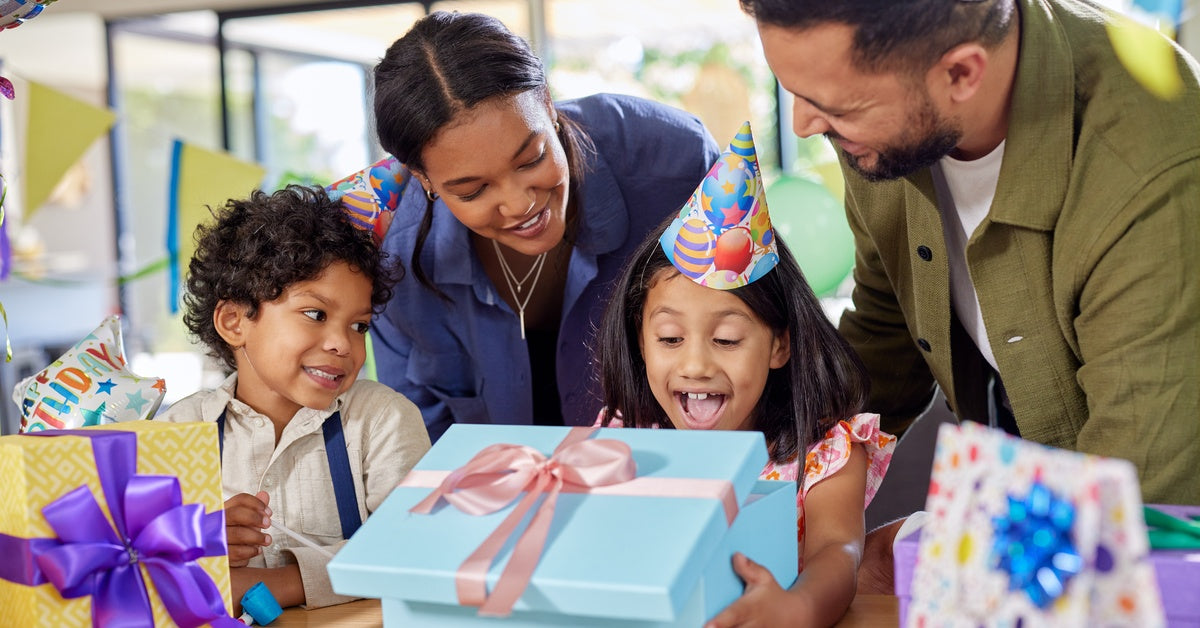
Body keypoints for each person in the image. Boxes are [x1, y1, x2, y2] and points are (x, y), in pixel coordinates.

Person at [739, 0, 1200, 590]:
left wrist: (941, 544)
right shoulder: (878, 113)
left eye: (836, 106)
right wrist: (766, 471)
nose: (804, 123)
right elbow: (884, 325)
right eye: (793, 91)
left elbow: (1140, 497)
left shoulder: (1152, 171)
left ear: (961, 73)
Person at [370, 11, 721, 442]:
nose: (520, 203)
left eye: (532, 159)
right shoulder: (393, 256)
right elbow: (416, 447)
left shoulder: (675, 165)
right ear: (422, 178)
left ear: (548, 103)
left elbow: (760, 350)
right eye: (473, 190)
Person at [594, 126, 895, 627]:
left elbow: (838, 552)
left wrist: (797, 608)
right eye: (670, 339)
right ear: (640, 342)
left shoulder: (823, 453)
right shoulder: (623, 440)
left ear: (779, 344)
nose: (695, 365)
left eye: (727, 340)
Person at [158, 186, 432, 613]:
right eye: (316, 315)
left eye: (359, 326)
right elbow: (147, 567)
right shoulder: (179, 431)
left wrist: (273, 584)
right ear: (234, 322)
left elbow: (416, 550)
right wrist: (202, 543)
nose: (343, 344)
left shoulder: (383, 420)